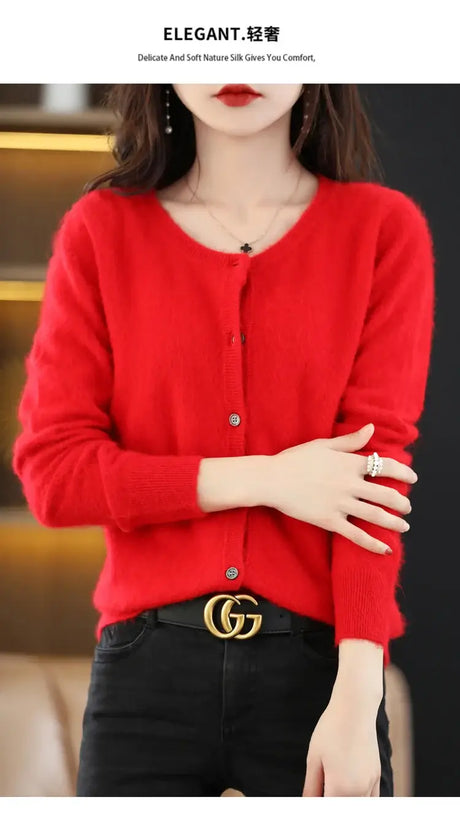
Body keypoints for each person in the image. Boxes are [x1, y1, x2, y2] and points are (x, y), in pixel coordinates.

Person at [12, 83, 435, 797]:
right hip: (145, 676)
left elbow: (376, 472)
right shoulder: (102, 231)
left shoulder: (382, 230)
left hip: (318, 676)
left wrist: (359, 692)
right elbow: (54, 476)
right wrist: (267, 479)